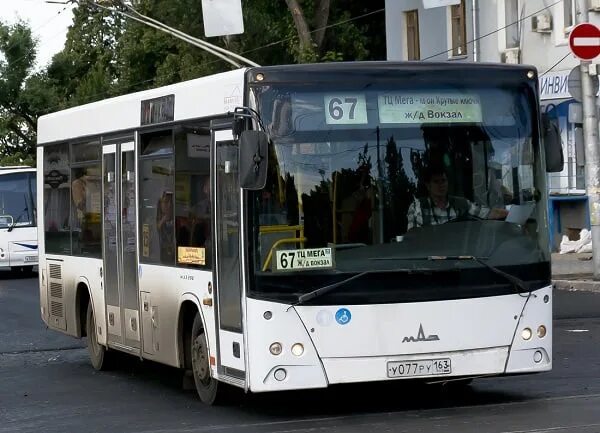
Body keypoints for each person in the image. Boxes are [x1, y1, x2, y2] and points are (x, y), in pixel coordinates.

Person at [406, 166, 508, 231]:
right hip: (430, 261)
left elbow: (488, 213)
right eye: (436, 182)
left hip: (460, 259)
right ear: (428, 186)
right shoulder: (417, 207)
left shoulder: (462, 204)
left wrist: (513, 213)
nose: (441, 185)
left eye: (443, 180)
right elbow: (413, 239)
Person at [156, 191, 175, 263]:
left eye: (171, 202)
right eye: (166, 202)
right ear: (160, 204)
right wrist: (163, 220)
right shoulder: (156, 221)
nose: (169, 205)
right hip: (164, 258)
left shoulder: (177, 219)